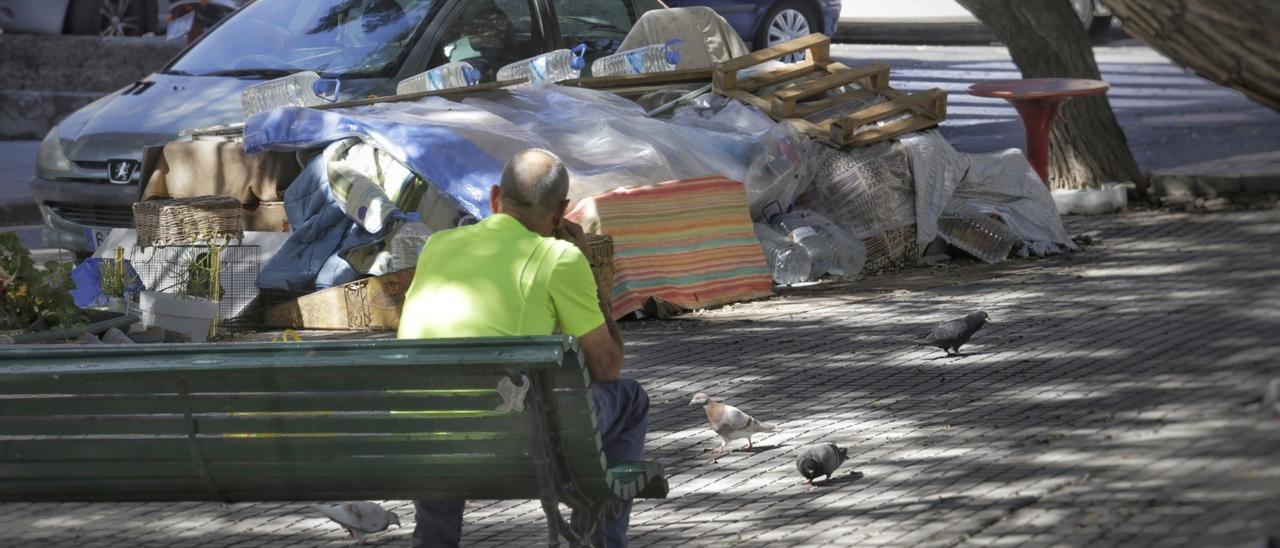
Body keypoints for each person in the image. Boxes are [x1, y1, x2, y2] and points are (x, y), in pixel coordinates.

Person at [398, 148, 649, 548]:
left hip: (424, 437)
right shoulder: (560, 258)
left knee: (442, 410)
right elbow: (606, 368)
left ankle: (434, 541)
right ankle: (600, 540)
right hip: (515, 441)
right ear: (560, 212)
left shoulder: (437, 246)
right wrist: (589, 270)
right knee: (630, 399)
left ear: (495, 198)